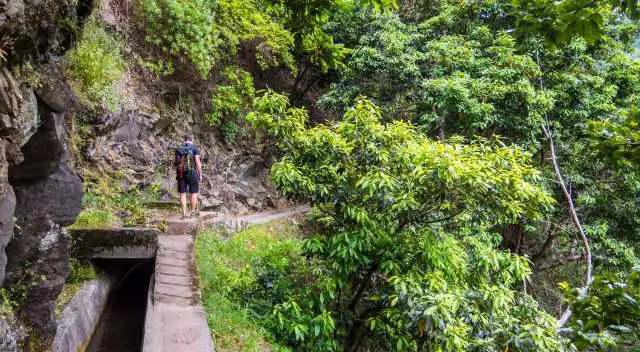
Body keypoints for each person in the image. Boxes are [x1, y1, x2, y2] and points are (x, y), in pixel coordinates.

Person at [175, 136, 203, 218]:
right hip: (192, 172)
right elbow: (197, 162)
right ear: (192, 140)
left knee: (182, 194)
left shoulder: (178, 149)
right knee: (193, 193)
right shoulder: (195, 148)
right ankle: (192, 212)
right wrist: (200, 174)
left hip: (180, 173)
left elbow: (176, 162)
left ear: (184, 140)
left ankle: (184, 213)